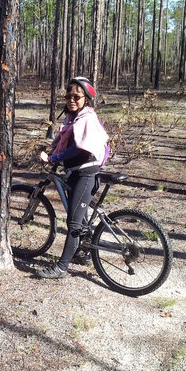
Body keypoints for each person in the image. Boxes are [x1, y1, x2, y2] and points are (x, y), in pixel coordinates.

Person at [38, 77, 109, 279]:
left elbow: (78, 148)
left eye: (76, 96)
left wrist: (53, 157)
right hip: (77, 173)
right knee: (81, 217)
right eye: (68, 96)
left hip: (85, 174)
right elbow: (67, 142)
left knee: (74, 223)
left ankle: (61, 267)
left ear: (86, 99)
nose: (71, 100)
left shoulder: (86, 118)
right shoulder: (74, 118)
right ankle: (84, 253)